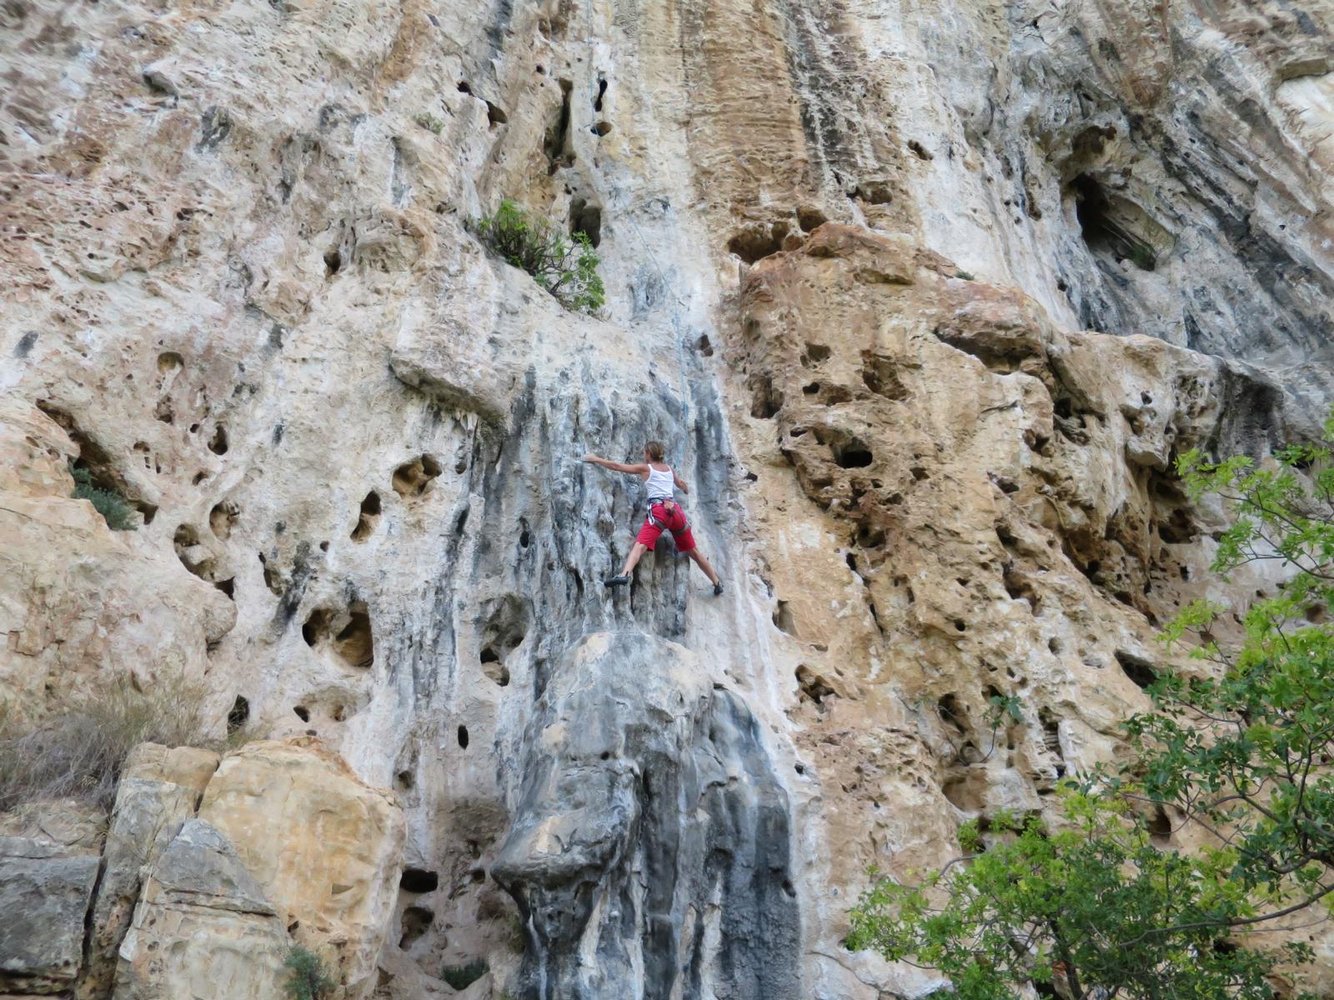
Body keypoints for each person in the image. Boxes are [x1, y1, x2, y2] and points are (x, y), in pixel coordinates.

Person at [582, 441, 724, 595]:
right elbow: (682, 485)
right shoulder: (669, 469)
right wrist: (685, 489)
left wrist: (595, 459)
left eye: (645, 452)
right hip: (676, 512)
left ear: (649, 454)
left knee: (640, 545)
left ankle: (624, 574)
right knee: (694, 552)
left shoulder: (646, 468)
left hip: (659, 512)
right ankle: (716, 582)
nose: (644, 455)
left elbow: (617, 466)